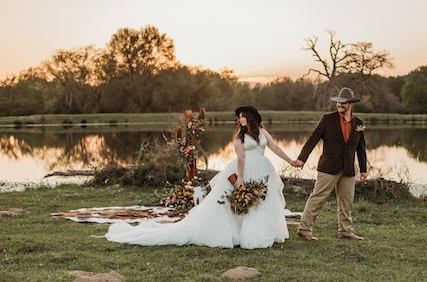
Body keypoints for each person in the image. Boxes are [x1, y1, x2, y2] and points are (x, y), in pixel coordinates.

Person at [105, 106, 292, 249]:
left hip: (264, 168)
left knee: (263, 200)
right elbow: (241, 158)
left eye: (243, 116)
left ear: (251, 117)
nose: (241, 119)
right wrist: (240, 178)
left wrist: (291, 161)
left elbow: (274, 147)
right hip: (245, 169)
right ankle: (244, 234)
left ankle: (263, 232)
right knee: (240, 201)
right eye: (239, 117)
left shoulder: (263, 132)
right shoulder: (239, 139)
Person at [292, 87, 368, 241]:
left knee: (347, 201)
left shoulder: (358, 123)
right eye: (338, 103)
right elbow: (313, 139)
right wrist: (302, 159)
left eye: (343, 103)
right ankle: (304, 229)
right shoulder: (327, 119)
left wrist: (363, 169)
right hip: (328, 167)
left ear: (350, 104)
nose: (340, 105)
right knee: (318, 197)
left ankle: (345, 231)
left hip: (348, 169)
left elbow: (361, 148)